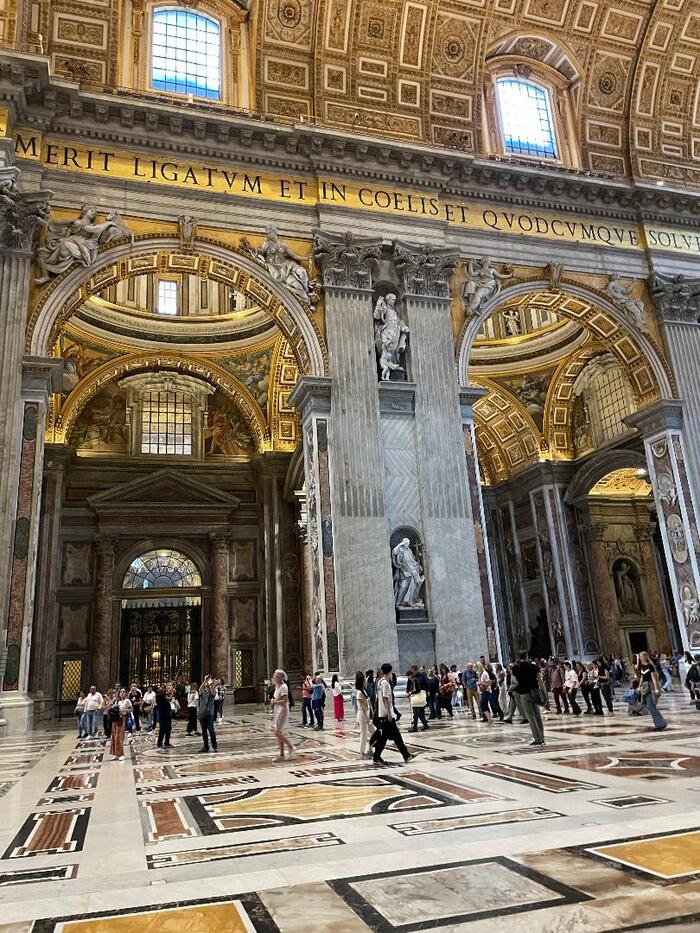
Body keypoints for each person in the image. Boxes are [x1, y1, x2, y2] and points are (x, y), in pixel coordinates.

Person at [372, 663, 415, 765]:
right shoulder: (385, 683)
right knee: (389, 737)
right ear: (390, 671)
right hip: (386, 714)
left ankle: (405, 755)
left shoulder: (380, 681)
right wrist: (389, 713)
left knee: (393, 736)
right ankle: (378, 756)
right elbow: (385, 698)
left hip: (384, 713)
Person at [512, 650, 545, 747]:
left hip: (524, 693)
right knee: (537, 716)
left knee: (530, 717)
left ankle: (537, 739)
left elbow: (515, 681)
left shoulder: (516, 668)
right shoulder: (533, 666)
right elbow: (540, 681)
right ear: (527, 656)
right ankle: (542, 738)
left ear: (519, 657)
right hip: (534, 692)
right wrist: (543, 693)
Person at [636, 651, 667, 730]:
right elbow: (642, 678)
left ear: (645, 657)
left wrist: (656, 688)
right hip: (645, 687)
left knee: (651, 705)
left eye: (641, 656)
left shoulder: (650, 666)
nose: (640, 658)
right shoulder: (642, 666)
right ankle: (660, 723)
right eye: (640, 657)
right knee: (650, 706)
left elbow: (654, 678)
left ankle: (661, 724)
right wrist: (639, 686)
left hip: (650, 686)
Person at [270, 669, 295, 761]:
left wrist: (275, 702)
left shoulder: (284, 687)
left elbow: (285, 701)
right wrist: (274, 701)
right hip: (278, 709)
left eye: (276, 676)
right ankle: (281, 755)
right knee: (279, 732)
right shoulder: (277, 686)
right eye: (274, 676)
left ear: (280, 677)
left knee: (277, 732)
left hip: (283, 710)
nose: (274, 678)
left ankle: (291, 747)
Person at [110, 688, 132, 761]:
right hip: (115, 720)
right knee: (114, 736)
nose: (122, 693)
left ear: (126, 693)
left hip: (121, 719)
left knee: (119, 737)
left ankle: (122, 754)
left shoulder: (127, 701)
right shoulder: (117, 701)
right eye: (121, 692)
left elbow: (131, 709)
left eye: (123, 691)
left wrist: (124, 710)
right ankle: (117, 754)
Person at [198, 678, 218, 752]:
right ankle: (206, 747)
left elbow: (214, 693)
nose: (207, 686)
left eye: (207, 686)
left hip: (209, 714)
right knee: (204, 731)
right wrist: (205, 681)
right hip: (202, 714)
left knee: (211, 730)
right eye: (206, 686)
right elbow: (200, 689)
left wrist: (211, 685)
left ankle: (214, 746)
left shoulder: (212, 693)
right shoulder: (202, 693)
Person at [406, 665, 429, 732]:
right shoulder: (412, 680)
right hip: (415, 698)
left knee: (418, 713)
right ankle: (416, 727)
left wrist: (411, 693)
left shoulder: (415, 680)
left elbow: (418, 689)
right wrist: (408, 692)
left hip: (418, 697)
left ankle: (422, 725)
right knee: (416, 713)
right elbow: (408, 687)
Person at [355, 671, 371, 758]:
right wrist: (367, 717)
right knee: (363, 733)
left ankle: (370, 749)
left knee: (372, 732)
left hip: (366, 712)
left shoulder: (363, 690)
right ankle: (362, 752)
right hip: (362, 714)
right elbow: (362, 706)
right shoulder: (359, 692)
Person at [476, 661, 493, 726]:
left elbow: (489, 683)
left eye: (476, 668)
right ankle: (489, 719)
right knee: (484, 706)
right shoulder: (481, 674)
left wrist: (480, 683)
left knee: (483, 705)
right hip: (483, 691)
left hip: (486, 691)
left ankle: (490, 720)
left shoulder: (484, 674)